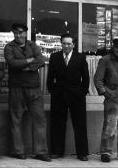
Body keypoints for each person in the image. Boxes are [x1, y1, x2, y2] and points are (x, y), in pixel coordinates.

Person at [3, 23, 51, 162]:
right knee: (15, 119)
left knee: (39, 119)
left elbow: (41, 61)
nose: (18, 35)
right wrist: (29, 61)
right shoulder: (9, 47)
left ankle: (40, 152)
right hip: (17, 88)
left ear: (25, 33)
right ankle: (18, 151)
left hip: (34, 88)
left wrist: (25, 67)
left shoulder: (33, 45)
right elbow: (12, 63)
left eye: (21, 32)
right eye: (15, 33)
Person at [47, 33, 90, 161]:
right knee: (57, 123)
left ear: (73, 45)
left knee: (80, 124)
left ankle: (82, 153)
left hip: (77, 96)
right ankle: (57, 151)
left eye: (69, 43)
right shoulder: (54, 57)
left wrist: (81, 92)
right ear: (61, 43)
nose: (66, 46)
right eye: (64, 43)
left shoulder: (80, 57)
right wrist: (53, 91)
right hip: (59, 95)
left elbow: (86, 78)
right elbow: (50, 78)